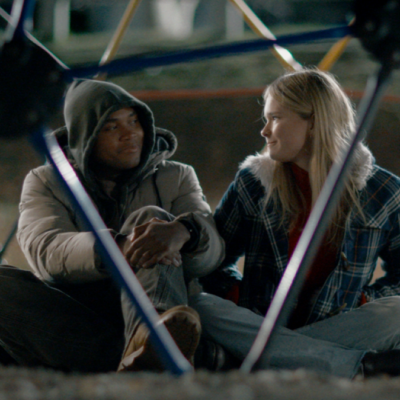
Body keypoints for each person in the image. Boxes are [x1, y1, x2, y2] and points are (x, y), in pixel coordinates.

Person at [1, 78, 224, 372]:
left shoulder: (177, 176)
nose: (130, 134)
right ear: (86, 138)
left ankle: (154, 338)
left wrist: (185, 232)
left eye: (134, 121)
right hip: (78, 314)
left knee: (151, 220)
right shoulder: (47, 180)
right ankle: (151, 355)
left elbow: (213, 253)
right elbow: (47, 251)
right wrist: (117, 247)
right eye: (111, 127)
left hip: (159, 303)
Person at [192, 69, 400, 378]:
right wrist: (234, 294)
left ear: (314, 122)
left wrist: (365, 300)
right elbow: (214, 263)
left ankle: (250, 359)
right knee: (200, 304)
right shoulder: (253, 183)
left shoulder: (383, 191)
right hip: (259, 322)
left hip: (339, 325)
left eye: (275, 118)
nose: (264, 131)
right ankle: (357, 366)